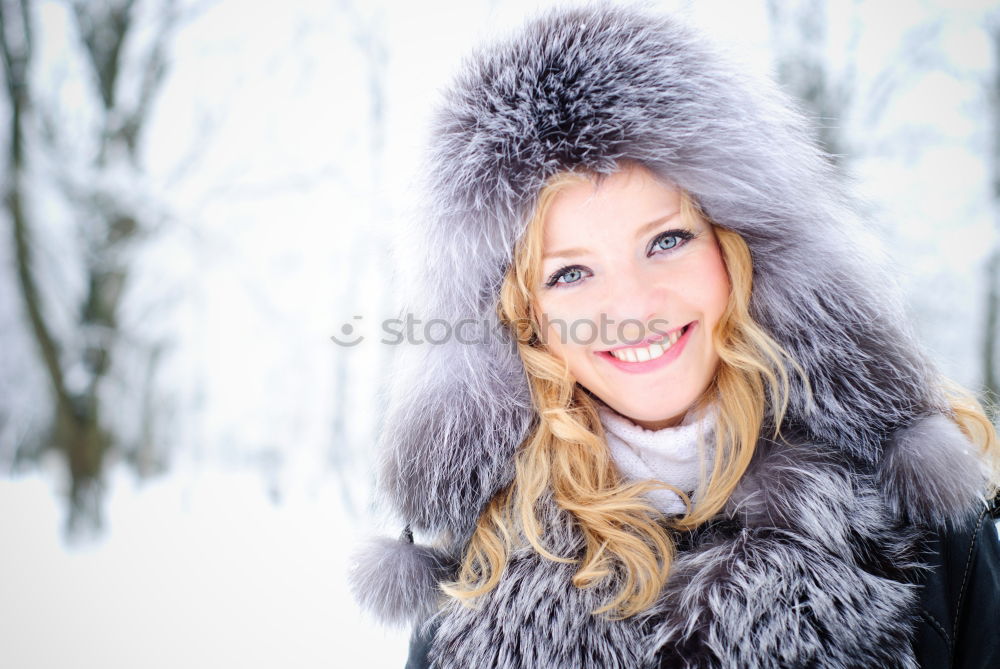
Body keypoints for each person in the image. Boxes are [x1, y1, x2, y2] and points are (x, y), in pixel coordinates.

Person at [348, 3, 1000, 667]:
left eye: (667, 239)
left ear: (742, 250)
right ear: (525, 317)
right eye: (571, 271)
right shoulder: (471, 585)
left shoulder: (921, 524)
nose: (632, 303)